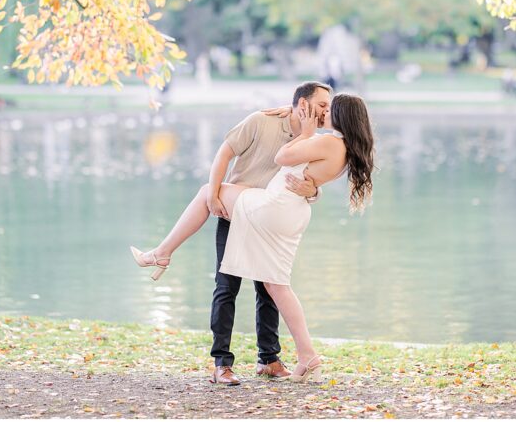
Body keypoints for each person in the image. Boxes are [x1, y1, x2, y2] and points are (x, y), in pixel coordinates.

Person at [131, 87, 376, 385]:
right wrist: (299, 127)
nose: (325, 112)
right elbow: (306, 174)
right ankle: (307, 356)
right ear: (302, 104)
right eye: (321, 106)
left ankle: (162, 252)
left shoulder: (325, 141)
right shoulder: (337, 145)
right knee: (277, 287)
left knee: (208, 192)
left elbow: (283, 156)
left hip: (271, 208)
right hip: (288, 212)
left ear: (341, 116)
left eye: (330, 108)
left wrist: (307, 134)